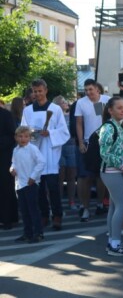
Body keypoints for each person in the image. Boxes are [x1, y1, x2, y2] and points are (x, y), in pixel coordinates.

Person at [21, 79, 70, 231]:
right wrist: (32, 134)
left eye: (40, 91)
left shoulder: (55, 109)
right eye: (35, 91)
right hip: (35, 151)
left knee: (53, 187)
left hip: (50, 151)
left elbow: (64, 131)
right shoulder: (27, 110)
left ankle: (57, 215)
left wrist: (50, 133)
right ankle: (44, 214)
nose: (37, 94)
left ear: (46, 90)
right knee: (39, 187)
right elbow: (23, 130)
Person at [99, 96, 123, 256]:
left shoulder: (117, 126)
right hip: (112, 171)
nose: (122, 110)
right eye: (119, 108)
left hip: (116, 171)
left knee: (114, 207)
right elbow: (104, 152)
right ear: (110, 110)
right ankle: (115, 243)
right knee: (122, 206)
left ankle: (112, 241)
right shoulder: (109, 127)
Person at [75, 79, 111, 222]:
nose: (88, 92)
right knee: (85, 177)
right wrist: (81, 142)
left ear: (97, 89)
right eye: (86, 90)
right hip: (88, 143)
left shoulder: (107, 100)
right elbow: (79, 123)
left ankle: (100, 203)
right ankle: (85, 207)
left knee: (101, 176)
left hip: (103, 142)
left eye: (90, 89)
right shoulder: (81, 102)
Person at [10, 126, 45, 243]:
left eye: (26, 136)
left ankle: (38, 233)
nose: (23, 139)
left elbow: (41, 162)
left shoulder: (32, 149)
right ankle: (27, 233)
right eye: (20, 136)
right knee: (24, 211)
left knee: (33, 210)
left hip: (30, 184)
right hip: (20, 184)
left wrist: (33, 177)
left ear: (30, 138)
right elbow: (13, 163)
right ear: (16, 137)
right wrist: (11, 169)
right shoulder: (15, 150)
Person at [52, 96, 77, 210]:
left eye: (65, 101)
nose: (66, 103)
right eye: (63, 102)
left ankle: (72, 201)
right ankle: (59, 202)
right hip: (59, 148)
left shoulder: (70, 116)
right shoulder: (53, 118)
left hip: (71, 147)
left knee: (72, 176)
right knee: (60, 177)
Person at [0, 107, 18, 230]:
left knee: (5, 187)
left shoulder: (5, 115)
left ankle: (8, 219)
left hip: (4, 157)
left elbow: (12, 136)